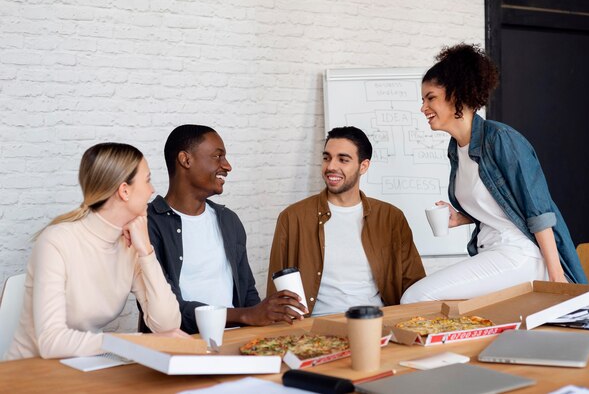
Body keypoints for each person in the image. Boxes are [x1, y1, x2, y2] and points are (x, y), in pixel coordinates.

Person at [401, 43, 587, 303]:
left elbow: (539, 212)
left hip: (521, 253)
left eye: (430, 98)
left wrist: (556, 278)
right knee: (444, 306)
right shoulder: (456, 150)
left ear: (456, 95)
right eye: (423, 100)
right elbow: (498, 207)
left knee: (416, 296)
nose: (423, 108)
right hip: (492, 250)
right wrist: (462, 218)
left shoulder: (500, 139)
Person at [6, 143, 182, 360]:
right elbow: (50, 342)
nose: (152, 190)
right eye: (147, 180)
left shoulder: (131, 246)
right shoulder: (56, 241)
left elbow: (167, 325)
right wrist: (139, 342)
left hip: (84, 369)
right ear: (124, 191)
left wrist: (146, 251)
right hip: (29, 373)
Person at [140, 125, 306, 335]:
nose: (227, 166)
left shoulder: (229, 220)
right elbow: (165, 310)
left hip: (233, 343)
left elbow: (247, 294)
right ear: (186, 160)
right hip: (179, 349)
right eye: (218, 156)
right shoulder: (147, 224)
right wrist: (247, 315)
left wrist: (266, 318)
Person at [267, 126, 426, 316]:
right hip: (314, 329)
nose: (331, 166)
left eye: (343, 159)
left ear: (363, 166)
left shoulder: (391, 217)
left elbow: (414, 284)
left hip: (376, 323)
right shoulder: (293, 218)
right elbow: (276, 294)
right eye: (327, 158)